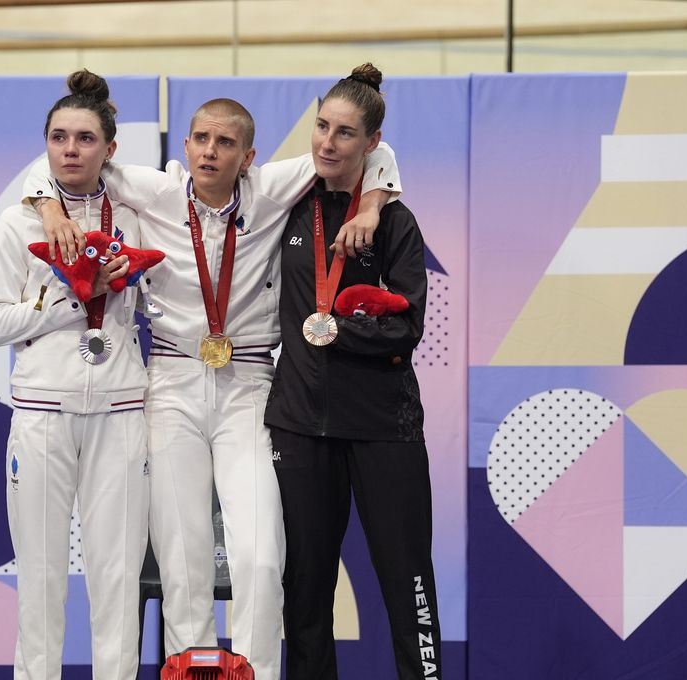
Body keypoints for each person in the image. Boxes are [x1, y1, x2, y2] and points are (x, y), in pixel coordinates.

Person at [25, 96, 401, 680]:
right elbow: (61, 165)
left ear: (248, 156)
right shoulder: (154, 192)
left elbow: (372, 152)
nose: (209, 151)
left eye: (225, 143)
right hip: (171, 384)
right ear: (185, 147)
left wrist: (373, 206)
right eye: (200, 138)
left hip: (249, 385)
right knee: (183, 561)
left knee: (258, 554)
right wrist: (49, 211)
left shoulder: (273, 188)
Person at [264, 64, 443, 680]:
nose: (327, 143)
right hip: (299, 425)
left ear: (370, 145)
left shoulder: (394, 222)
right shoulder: (284, 205)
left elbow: (406, 328)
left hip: (382, 427)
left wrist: (339, 328)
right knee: (306, 591)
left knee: (407, 583)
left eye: (344, 133)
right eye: (320, 126)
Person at [0, 69, 149, 680]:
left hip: (122, 413)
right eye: (58, 137)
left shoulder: (137, 214)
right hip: (43, 414)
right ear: (44, 145)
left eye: (84, 138)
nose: (70, 150)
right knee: (42, 579)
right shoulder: (18, 223)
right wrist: (68, 303)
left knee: (116, 579)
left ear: (109, 148)